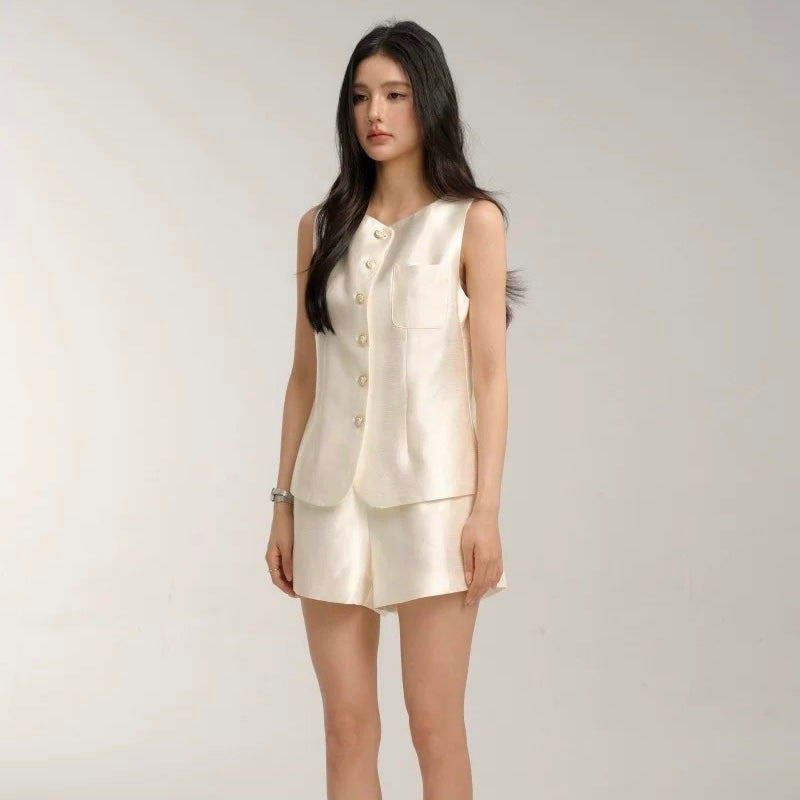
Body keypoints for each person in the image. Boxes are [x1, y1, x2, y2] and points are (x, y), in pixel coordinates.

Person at [265, 19, 526, 800]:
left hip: (435, 502)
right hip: (328, 500)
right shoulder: (321, 228)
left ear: (429, 102)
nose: (375, 113)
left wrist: (486, 512)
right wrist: (283, 505)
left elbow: (490, 378)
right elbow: (304, 377)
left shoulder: (472, 221)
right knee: (345, 728)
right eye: (360, 97)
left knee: (434, 726)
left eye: (395, 94)